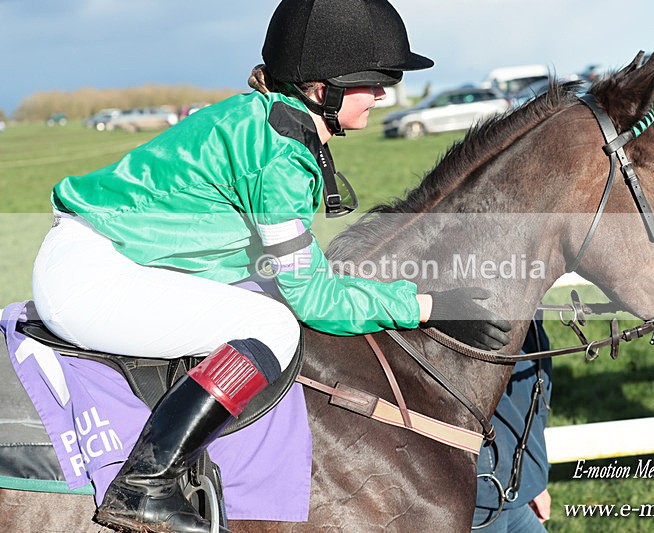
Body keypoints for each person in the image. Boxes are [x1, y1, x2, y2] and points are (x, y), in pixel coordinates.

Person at [30, 1, 512, 532]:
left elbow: (294, 272)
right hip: (94, 279)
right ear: (321, 89)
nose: (383, 94)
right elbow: (314, 298)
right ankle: (145, 484)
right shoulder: (278, 154)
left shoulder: (268, 122)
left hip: (109, 258)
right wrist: (427, 306)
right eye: (375, 80)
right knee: (273, 325)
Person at [473, 319, 552, 532]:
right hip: (481, 495)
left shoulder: (530, 322)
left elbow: (527, 404)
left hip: (509, 489)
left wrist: (531, 479)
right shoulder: (486, 323)